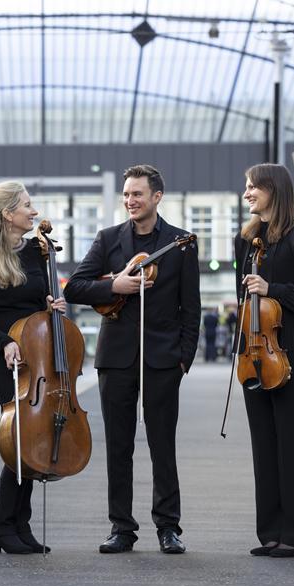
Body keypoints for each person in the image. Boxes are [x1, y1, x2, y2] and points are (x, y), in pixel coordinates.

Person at [64, 164, 201, 555]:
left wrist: (183, 359)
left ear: (157, 196)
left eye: (137, 194)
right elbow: (74, 286)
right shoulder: (108, 239)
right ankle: (121, 527)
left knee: (162, 444)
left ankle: (168, 527)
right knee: (119, 446)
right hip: (117, 359)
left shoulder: (180, 243)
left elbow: (191, 308)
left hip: (163, 359)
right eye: (126, 194)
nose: (130, 200)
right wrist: (114, 285)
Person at [0, 181, 66, 555]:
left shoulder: (38, 252)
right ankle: (4, 526)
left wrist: (52, 306)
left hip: (37, 355)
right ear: (8, 214)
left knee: (34, 438)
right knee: (21, 440)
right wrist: (5, 341)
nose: (34, 211)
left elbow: (40, 299)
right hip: (6, 355)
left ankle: (17, 526)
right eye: (26, 205)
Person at [235, 163, 294, 558]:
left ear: (274, 189)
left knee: (292, 443)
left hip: (290, 351)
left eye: (253, 186)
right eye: (246, 187)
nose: (247, 194)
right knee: (264, 445)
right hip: (255, 353)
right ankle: (272, 533)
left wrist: (274, 288)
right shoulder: (248, 239)